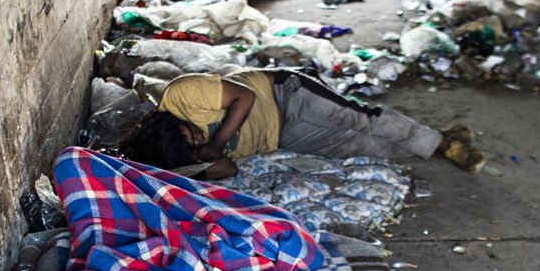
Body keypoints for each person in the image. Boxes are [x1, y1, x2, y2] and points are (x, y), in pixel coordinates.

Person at [118, 67, 484, 179]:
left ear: (168, 123)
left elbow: (244, 97)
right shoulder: (180, 156)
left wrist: (213, 143)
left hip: (284, 94)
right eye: (192, 149)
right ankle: (429, 141)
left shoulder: (182, 95)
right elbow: (227, 169)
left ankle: (441, 144)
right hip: (283, 134)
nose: (196, 139)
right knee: (356, 146)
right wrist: (197, 165)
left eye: (188, 134)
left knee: (361, 120)